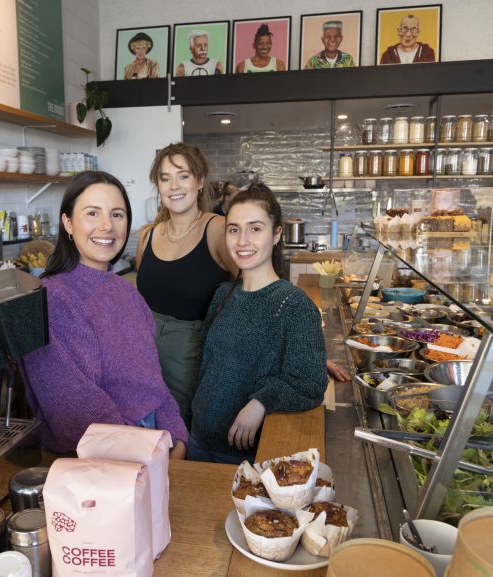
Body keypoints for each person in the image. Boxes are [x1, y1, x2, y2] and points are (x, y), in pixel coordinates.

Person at [17, 171, 188, 458]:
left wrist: (177, 438)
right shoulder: (52, 300)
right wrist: (152, 455)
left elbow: (153, 382)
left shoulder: (127, 291)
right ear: (68, 223)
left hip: (156, 442)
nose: (107, 226)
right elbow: (76, 411)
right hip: (106, 459)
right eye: (92, 213)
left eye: (117, 214)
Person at [188, 183, 328, 464]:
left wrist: (261, 401)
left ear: (276, 234)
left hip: (241, 456)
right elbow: (205, 367)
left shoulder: (293, 305)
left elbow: (311, 382)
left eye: (255, 228)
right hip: (197, 439)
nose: (242, 241)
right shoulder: (222, 294)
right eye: (234, 229)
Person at [136, 143, 238, 424]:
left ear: (200, 180)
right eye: (165, 178)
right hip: (144, 358)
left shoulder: (218, 229)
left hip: (191, 365)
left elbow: (258, 292)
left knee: (180, 436)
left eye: (183, 175)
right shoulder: (147, 236)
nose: (173, 186)